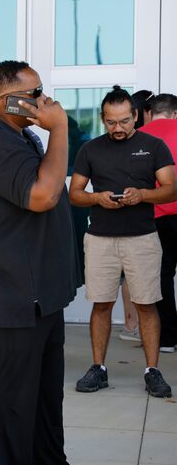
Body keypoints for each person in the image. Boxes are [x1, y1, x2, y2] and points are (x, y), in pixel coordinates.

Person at [0, 60, 82, 465]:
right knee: (5, 404)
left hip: (37, 296)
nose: (46, 100)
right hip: (4, 298)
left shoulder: (20, 136)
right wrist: (59, 128)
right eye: (37, 92)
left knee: (43, 400)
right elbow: (43, 195)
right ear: (8, 101)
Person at [70, 86, 176, 399]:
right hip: (101, 238)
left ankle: (152, 370)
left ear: (135, 116)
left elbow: (171, 189)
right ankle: (98, 368)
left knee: (146, 305)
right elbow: (74, 194)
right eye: (112, 122)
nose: (119, 128)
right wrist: (96, 198)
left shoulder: (154, 145)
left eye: (125, 121)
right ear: (103, 119)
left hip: (142, 237)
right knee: (101, 304)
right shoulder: (89, 149)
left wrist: (143, 195)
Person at [138, 93, 177, 352]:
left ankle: (167, 337)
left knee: (162, 275)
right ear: (175, 113)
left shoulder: (139, 135)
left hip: (155, 216)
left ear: (152, 112)